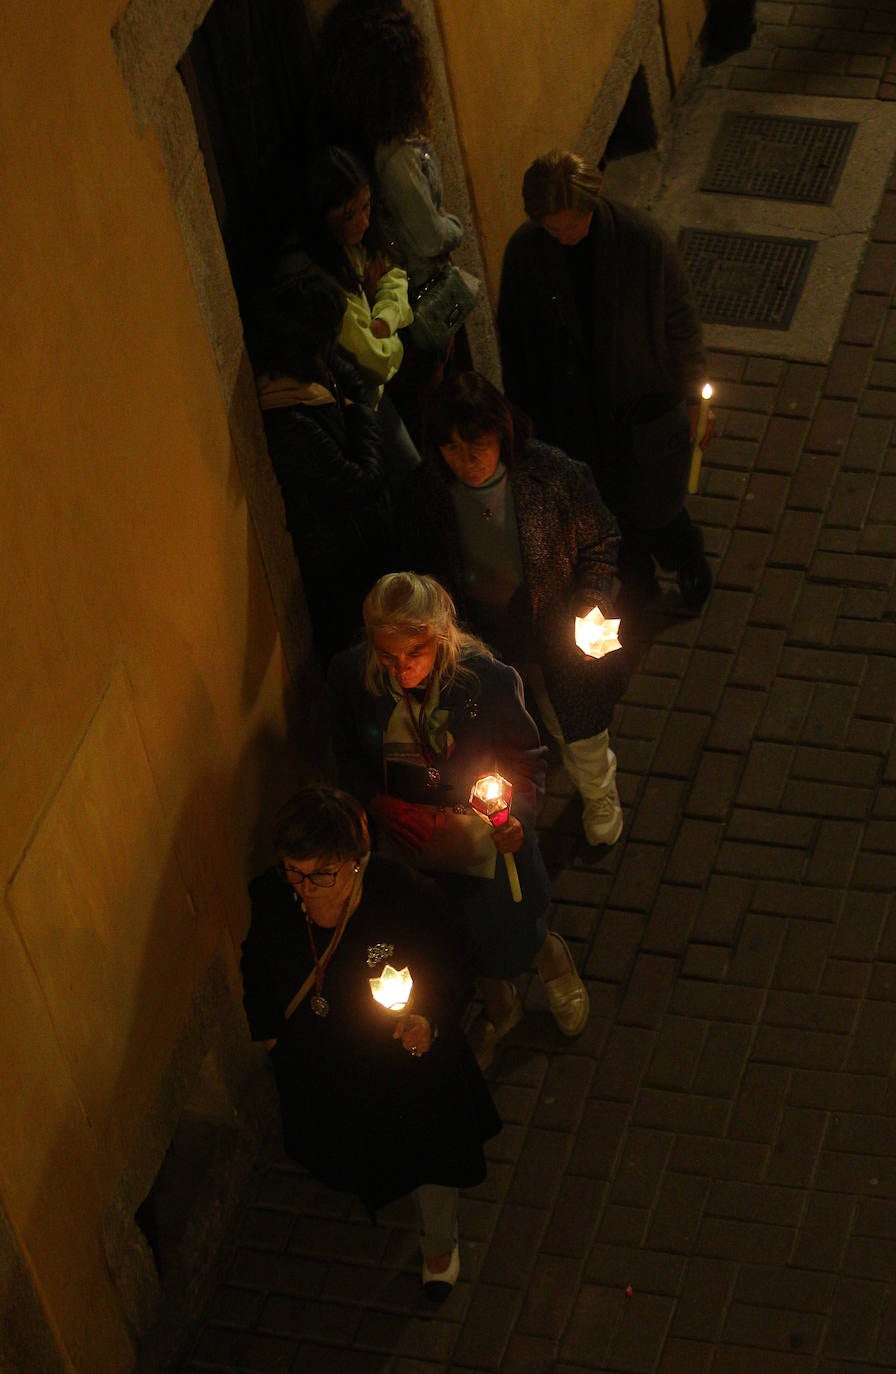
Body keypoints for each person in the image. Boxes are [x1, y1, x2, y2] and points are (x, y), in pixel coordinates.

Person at [241, 784, 500, 1300]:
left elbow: (456, 961)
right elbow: (256, 962)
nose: (305, 888)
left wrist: (432, 1020)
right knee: (360, 1146)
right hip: (330, 1064)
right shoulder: (275, 896)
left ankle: (438, 1242)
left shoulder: (403, 896)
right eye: (294, 870)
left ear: (355, 862)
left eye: (320, 874)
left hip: (406, 1060)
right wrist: (270, 1034)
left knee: (431, 1152)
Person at [327, 571, 590, 1070]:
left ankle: (549, 957)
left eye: (415, 652)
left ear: (441, 634)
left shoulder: (486, 681)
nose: (401, 669)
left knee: (508, 921)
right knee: (451, 930)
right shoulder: (350, 678)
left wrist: (519, 819)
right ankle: (500, 1007)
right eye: (387, 656)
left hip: (488, 839)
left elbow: (529, 759)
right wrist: (380, 806)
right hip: (415, 846)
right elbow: (348, 759)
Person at [398, 371, 627, 848]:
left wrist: (592, 604)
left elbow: (600, 540)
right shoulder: (427, 496)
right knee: (496, 740)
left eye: (477, 442)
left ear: (500, 431)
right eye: (452, 447)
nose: (468, 460)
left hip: (557, 638)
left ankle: (598, 793)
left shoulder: (552, 475)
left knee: (579, 730)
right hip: (482, 643)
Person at [498, 149, 714, 610]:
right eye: (551, 228)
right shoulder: (526, 253)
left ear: (590, 205)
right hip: (573, 413)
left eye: (570, 223)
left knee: (655, 504)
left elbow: (680, 319)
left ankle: (685, 554)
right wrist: (520, 416)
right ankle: (638, 582)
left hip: (642, 402)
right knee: (605, 509)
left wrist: (696, 394)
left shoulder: (641, 242)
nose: (562, 235)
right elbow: (514, 339)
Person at [315, 0, 471, 438]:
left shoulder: (360, 143)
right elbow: (428, 236)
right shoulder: (396, 155)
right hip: (420, 298)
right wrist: (454, 226)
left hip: (397, 301)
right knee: (445, 410)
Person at [248, 269, 392, 663]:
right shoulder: (290, 416)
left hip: (356, 543)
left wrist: (353, 402)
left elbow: (350, 378)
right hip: (339, 563)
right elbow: (364, 478)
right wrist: (361, 413)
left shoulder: (315, 374)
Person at [277, 145, 419, 493]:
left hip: (375, 393)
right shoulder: (316, 276)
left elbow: (394, 276)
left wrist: (383, 319)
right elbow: (376, 361)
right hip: (355, 408)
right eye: (349, 214)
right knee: (410, 482)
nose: (364, 221)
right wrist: (388, 336)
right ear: (322, 216)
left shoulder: (352, 245)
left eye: (367, 206)